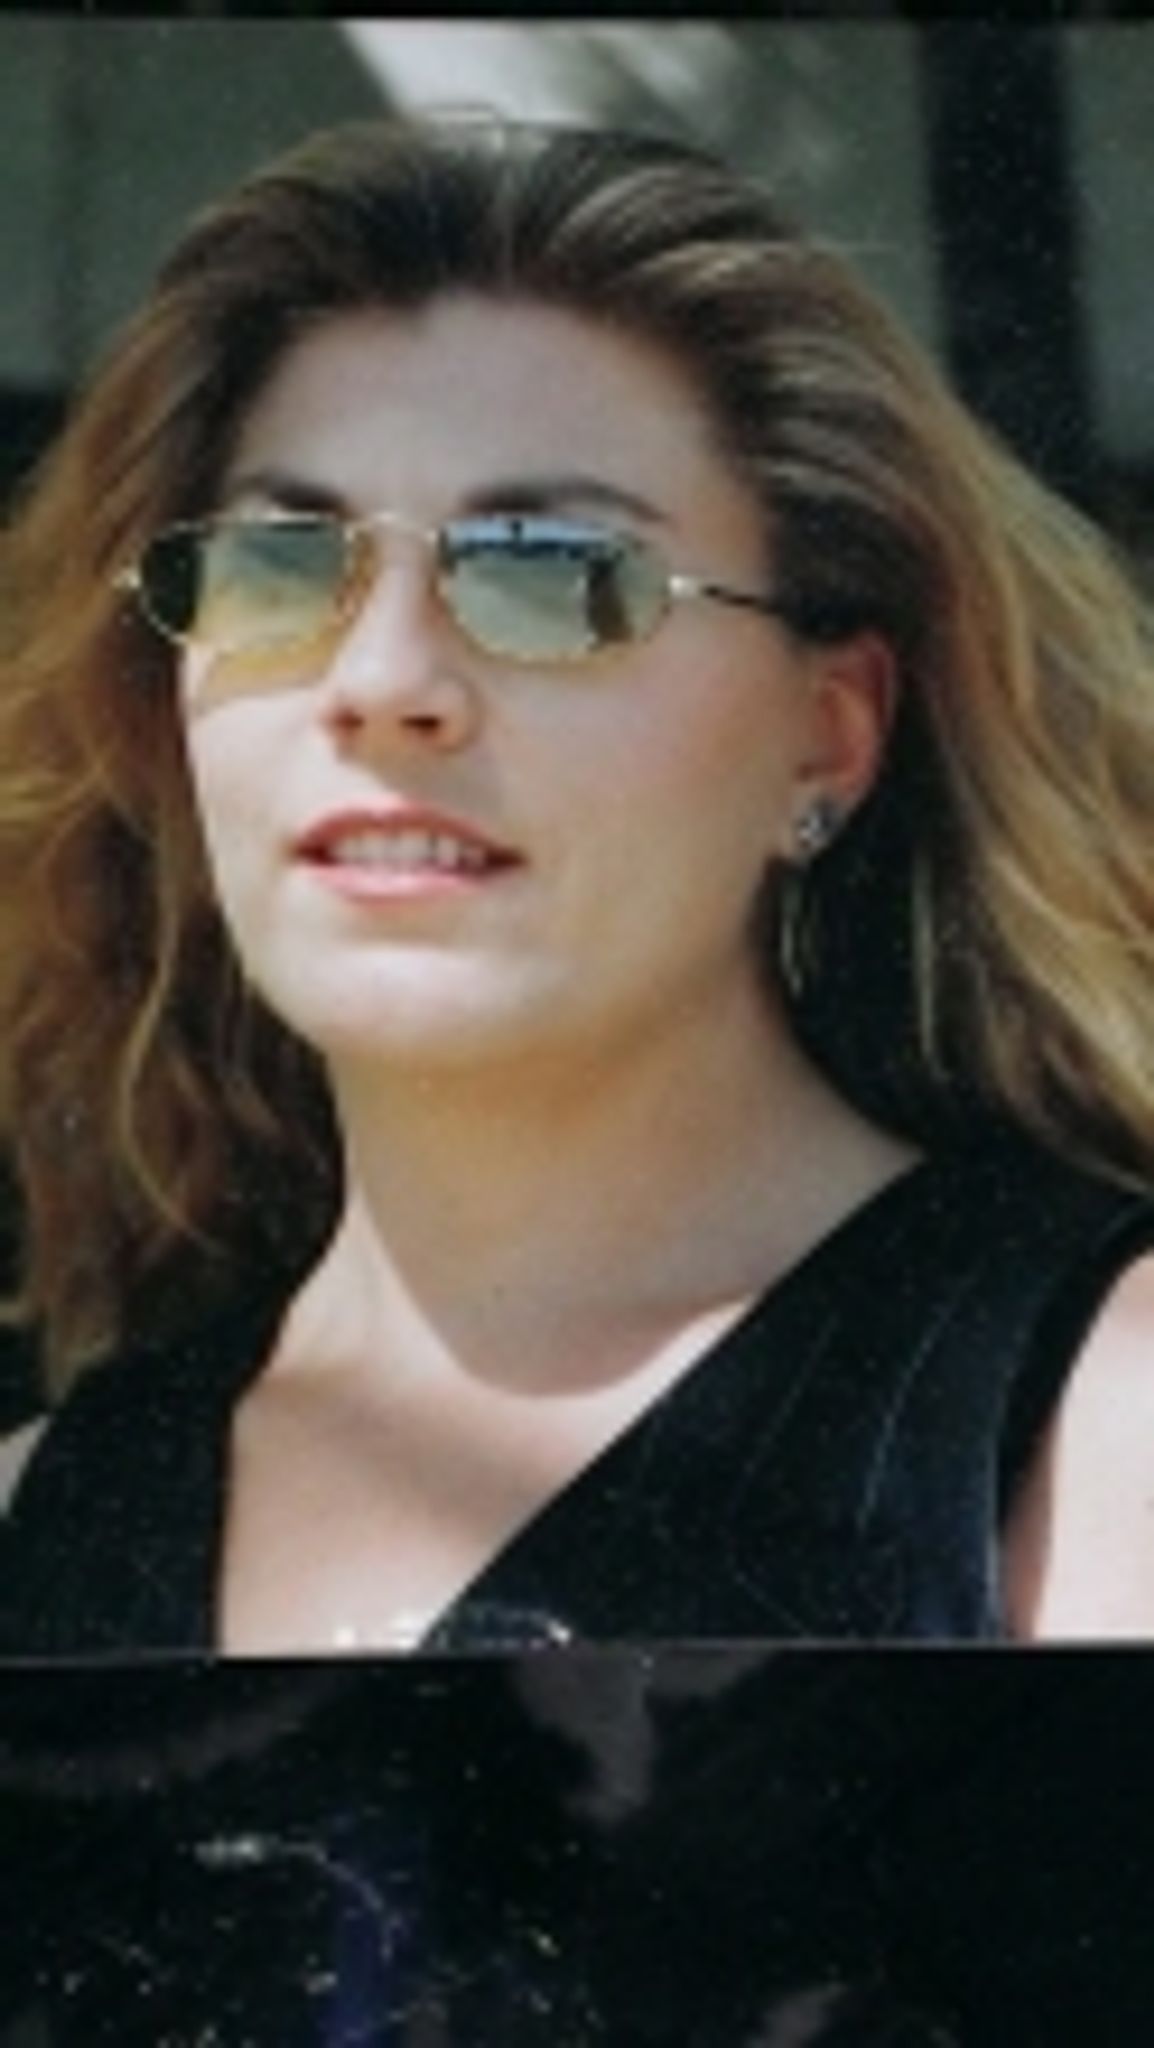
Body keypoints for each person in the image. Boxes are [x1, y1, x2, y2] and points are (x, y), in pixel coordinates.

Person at [0, 114, 1152, 1653]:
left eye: (549, 572)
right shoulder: (37, 1524)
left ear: (827, 734)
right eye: (280, 570)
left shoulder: (1102, 1432)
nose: (384, 682)